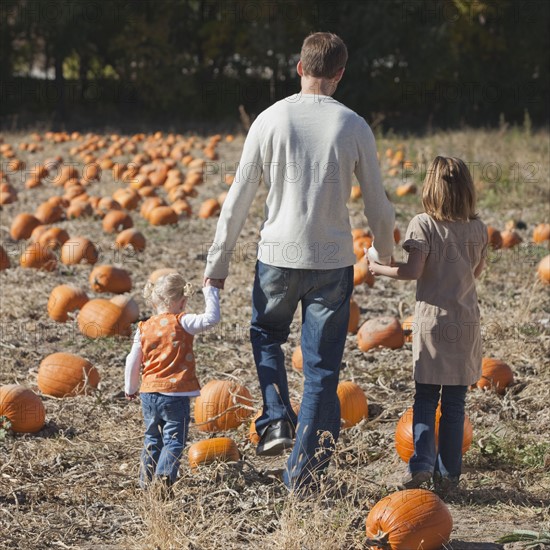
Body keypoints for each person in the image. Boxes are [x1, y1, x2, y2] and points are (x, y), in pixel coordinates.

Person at [204, 32, 395, 492]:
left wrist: (218, 261)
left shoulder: (269, 120)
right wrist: (386, 255)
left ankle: (274, 421)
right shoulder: (353, 126)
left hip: (277, 256)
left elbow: (237, 199)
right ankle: (302, 476)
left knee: (266, 334)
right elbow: (378, 204)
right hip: (332, 261)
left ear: (298, 67)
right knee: (322, 370)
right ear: (340, 74)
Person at [368, 156, 487, 494]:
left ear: (431, 188)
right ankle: (449, 478)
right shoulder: (478, 228)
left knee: (424, 398)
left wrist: (378, 268)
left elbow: (412, 272)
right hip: (465, 324)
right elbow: (475, 273)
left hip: (433, 324)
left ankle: (421, 464)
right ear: (467, 191)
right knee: (454, 404)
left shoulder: (424, 224)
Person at [125, 273, 221, 488]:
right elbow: (211, 318)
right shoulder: (183, 321)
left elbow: (132, 359)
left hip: (148, 393)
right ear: (183, 301)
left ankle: (145, 482)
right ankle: (164, 479)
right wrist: (211, 291)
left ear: (153, 301)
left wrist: (130, 387)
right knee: (174, 440)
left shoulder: (143, 327)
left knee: (152, 438)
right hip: (175, 395)